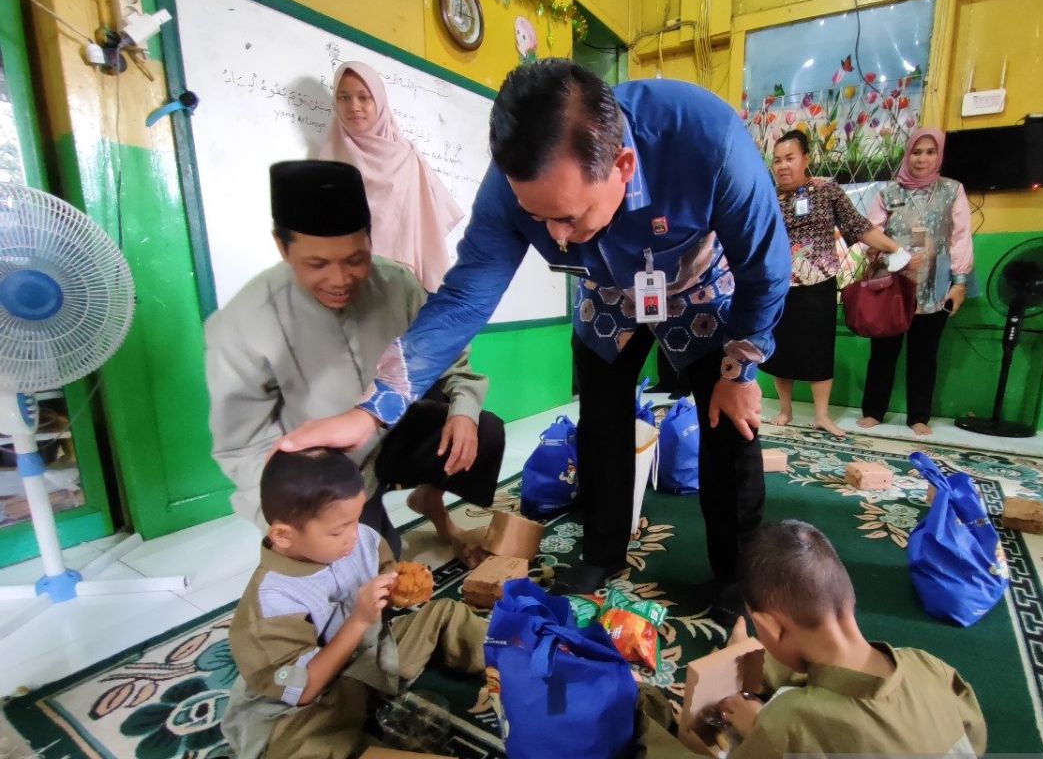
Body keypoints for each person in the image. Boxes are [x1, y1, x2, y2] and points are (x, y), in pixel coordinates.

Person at [280, 60, 791, 623]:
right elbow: (464, 299)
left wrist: (742, 368)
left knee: (729, 427)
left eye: (569, 217)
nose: (556, 239)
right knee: (600, 420)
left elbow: (766, 266)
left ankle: (734, 575)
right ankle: (602, 551)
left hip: (698, 285)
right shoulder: (512, 185)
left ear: (622, 166)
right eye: (538, 219)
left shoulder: (706, 141)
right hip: (608, 293)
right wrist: (373, 410)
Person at [205, 160, 504, 559]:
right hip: (330, 472)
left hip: (390, 435)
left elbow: (449, 357)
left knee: (482, 432)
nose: (340, 279)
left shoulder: (396, 284)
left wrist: (463, 410)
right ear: (282, 247)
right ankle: (363, 517)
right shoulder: (243, 323)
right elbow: (241, 450)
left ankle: (429, 500)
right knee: (368, 579)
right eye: (317, 264)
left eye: (355, 259)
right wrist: (300, 525)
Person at [220, 448, 488, 759]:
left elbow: (385, 568)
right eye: (337, 530)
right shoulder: (272, 602)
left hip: (373, 655)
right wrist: (359, 620)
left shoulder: (361, 538)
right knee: (304, 748)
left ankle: (518, 653)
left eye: (356, 519)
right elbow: (305, 689)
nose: (353, 536)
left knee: (444, 614)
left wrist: (396, 584)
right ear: (283, 535)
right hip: (318, 695)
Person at [645, 520, 986, 757]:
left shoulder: (789, 722)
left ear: (769, 626)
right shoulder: (927, 665)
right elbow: (976, 738)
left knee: (640, 724)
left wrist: (759, 727)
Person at [761, 130, 906, 436]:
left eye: (790, 158)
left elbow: (857, 226)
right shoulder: (766, 196)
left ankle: (822, 415)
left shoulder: (827, 191)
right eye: (777, 160)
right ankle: (785, 409)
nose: (783, 166)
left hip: (819, 283)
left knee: (819, 349)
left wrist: (895, 248)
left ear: (806, 159)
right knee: (780, 349)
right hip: (777, 286)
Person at [857, 128, 974, 436]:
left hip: (935, 286)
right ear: (907, 155)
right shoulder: (888, 194)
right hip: (892, 285)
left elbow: (960, 237)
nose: (922, 159)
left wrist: (959, 282)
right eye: (916, 152)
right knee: (883, 353)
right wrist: (890, 259)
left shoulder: (952, 190)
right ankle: (873, 411)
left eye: (930, 152)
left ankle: (918, 416)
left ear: (939, 156)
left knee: (925, 354)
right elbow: (870, 236)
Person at [320, 61, 464, 292]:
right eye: (344, 97)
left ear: (379, 101)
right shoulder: (327, 165)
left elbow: (426, 232)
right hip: (347, 287)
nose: (353, 106)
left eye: (364, 97)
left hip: (401, 287)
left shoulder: (407, 160)